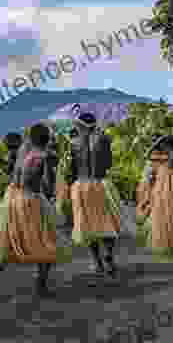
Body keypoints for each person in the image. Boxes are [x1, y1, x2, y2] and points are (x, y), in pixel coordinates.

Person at [0, 122, 71, 301]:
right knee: (47, 242)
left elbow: (16, 175)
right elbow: (47, 185)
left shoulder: (23, 150)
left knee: (9, 243)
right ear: (47, 140)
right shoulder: (44, 156)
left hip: (13, 198)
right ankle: (41, 285)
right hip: (31, 201)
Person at [66, 113, 120, 277]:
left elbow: (72, 169)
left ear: (80, 126)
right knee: (107, 222)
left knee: (88, 225)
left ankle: (96, 261)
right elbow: (108, 163)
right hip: (101, 184)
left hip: (81, 186)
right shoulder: (103, 140)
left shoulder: (74, 143)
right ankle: (109, 255)